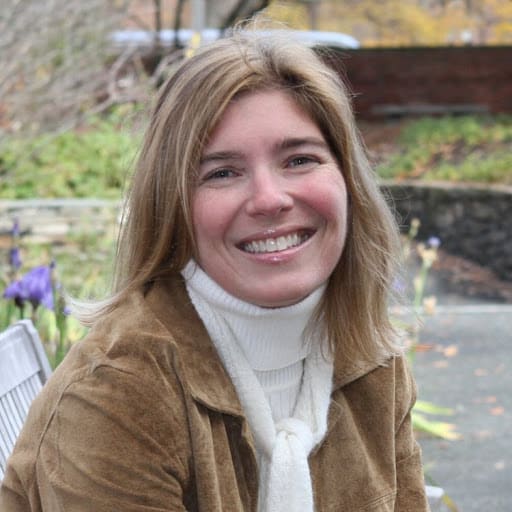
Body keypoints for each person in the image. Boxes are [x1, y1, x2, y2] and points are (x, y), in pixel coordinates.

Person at [0, 28, 429, 511]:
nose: (269, 199)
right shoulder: (118, 391)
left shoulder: (371, 359)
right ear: (174, 206)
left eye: (300, 159)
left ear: (348, 180)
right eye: (222, 172)